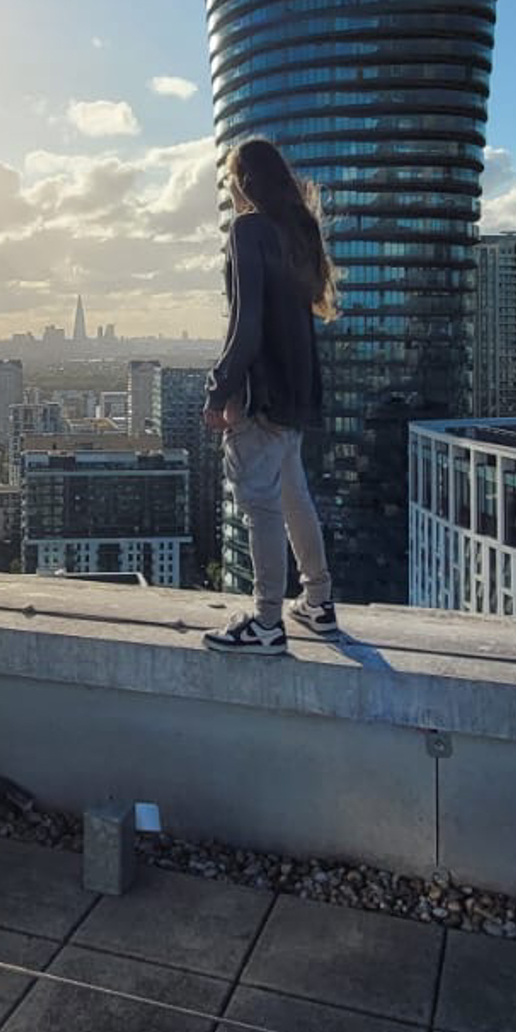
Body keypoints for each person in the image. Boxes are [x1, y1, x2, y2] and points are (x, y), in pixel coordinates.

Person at [201, 137, 338, 653]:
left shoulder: (249, 229)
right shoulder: (297, 232)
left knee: (260, 504)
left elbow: (246, 321)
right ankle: (318, 603)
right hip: (297, 391)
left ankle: (265, 622)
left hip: (261, 395)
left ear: (242, 182)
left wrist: (220, 390)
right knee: (292, 494)